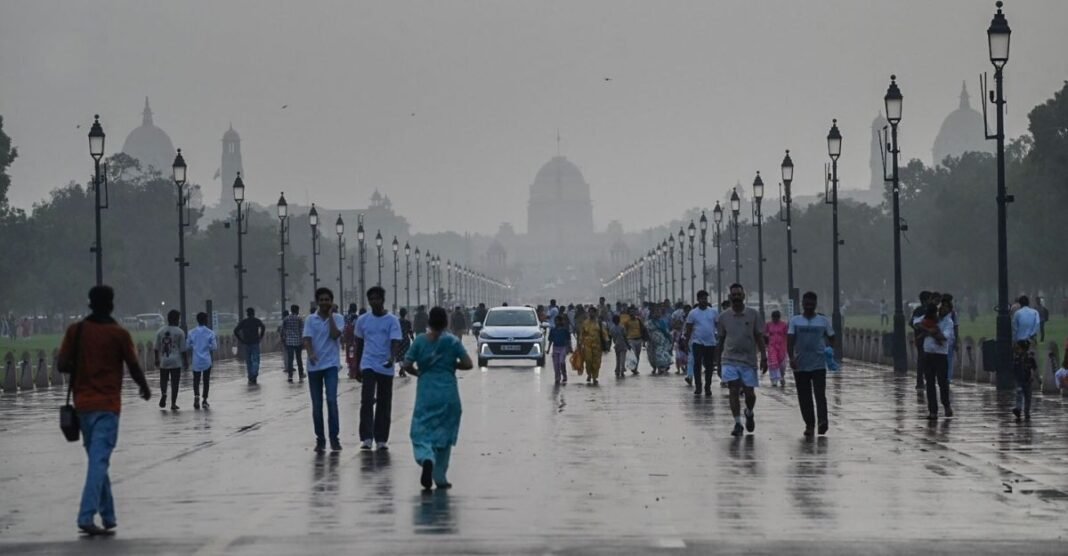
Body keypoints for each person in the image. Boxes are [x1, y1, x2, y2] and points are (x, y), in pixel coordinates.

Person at [57, 285, 152, 536]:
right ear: (111, 304)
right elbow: (132, 365)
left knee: (97, 460)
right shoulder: (118, 334)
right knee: (99, 461)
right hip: (108, 406)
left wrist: (83, 365)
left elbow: (62, 364)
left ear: (90, 303)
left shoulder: (75, 331)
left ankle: (108, 516)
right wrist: (144, 388)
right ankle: (86, 516)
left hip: (83, 406)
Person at [402, 306, 473, 490]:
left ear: (428, 322)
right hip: (449, 392)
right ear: (446, 322)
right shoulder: (452, 342)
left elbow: (407, 364)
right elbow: (468, 363)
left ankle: (426, 457)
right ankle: (440, 476)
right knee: (445, 433)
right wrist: (450, 365)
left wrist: (419, 372)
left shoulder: (419, 341)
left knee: (421, 429)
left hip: (426, 391)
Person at [354, 286, 403, 451]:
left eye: (377, 298)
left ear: (382, 300)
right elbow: (359, 343)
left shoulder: (392, 320)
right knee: (367, 400)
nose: (374, 302)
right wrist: (356, 366)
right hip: (368, 363)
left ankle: (381, 438)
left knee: (384, 401)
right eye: (371, 299)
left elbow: (395, 341)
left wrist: (392, 357)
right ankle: (367, 437)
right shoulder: (362, 320)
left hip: (385, 364)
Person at [716, 283, 767, 437]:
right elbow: (720, 339)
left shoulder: (753, 315)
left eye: (739, 295)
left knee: (749, 394)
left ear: (744, 296)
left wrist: (764, 356)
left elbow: (759, 336)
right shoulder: (723, 317)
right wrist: (717, 362)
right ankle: (738, 423)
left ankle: (749, 412)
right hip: (729, 359)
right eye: (734, 295)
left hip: (748, 360)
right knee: (733, 389)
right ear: (730, 297)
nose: (736, 298)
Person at [303, 287, 346, 452]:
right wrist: (311, 353)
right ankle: (320, 438)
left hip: (331, 365)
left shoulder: (338, 318)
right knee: (317, 404)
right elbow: (306, 339)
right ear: (317, 301)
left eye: (327, 300)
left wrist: (330, 317)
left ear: (332, 301)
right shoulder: (310, 320)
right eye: (321, 300)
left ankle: (334, 438)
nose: (324, 302)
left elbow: (335, 335)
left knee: (331, 400)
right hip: (314, 367)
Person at [787, 293, 835, 436]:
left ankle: (822, 422)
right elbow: (790, 341)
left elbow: (832, 337)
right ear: (802, 303)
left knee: (820, 394)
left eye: (811, 304)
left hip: (819, 364)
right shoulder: (795, 321)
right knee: (804, 396)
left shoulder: (823, 321)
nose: (809, 306)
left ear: (815, 304)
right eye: (806, 304)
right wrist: (791, 358)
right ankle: (809, 424)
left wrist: (829, 351)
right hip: (800, 364)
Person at [919, 302, 954, 420]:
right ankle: (932, 411)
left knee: (942, 382)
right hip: (928, 353)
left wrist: (928, 332)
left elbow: (944, 337)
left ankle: (946, 405)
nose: (941, 310)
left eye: (944, 308)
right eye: (940, 308)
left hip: (940, 355)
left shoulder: (948, 322)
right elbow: (916, 323)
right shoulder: (929, 319)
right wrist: (930, 330)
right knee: (929, 383)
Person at [683, 290, 719, 396]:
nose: (704, 300)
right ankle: (698, 386)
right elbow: (688, 329)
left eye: (705, 298)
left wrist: (719, 340)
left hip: (711, 343)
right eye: (702, 298)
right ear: (698, 299)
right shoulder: (693, 313)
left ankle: (708, 386)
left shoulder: (713, 312)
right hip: (697, 342)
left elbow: (718, 327)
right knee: (697, 364)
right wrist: (686, 343)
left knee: (709, 366)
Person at [153, 310, 188, 410]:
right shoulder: (180, 332)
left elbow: (156, 347)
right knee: (175, 382)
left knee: (163, 380)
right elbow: (183, 349)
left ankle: (164, 393)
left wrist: (156, 359)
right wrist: (185, 361)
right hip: (176, 361)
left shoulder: (160, 331)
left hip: (164, 360)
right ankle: (173, 403)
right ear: (177, 319)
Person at [186, 312, 217, 409]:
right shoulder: (210, 332)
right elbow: (214, 347)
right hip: (207, 360)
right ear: (205, 320)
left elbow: (187, 346)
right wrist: (207, 346)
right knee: (206, 380)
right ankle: (204, 400)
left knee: (196, 380)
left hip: (196, 360)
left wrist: (194, 346)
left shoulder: (191, 332)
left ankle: (196, 396)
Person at [578, 307, 610, 385]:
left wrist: (607, 342)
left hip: (597, 346)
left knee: (596, 362)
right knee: (588, 360)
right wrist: (580, 343)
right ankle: (589, 374)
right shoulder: (585, 322)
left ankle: (595, 377)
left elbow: (604, 333)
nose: (591, 314)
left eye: (593, 312)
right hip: (587, 345)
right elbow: (581, 334)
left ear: (595, 313)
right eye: (590, 312)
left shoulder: (599, 323)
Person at [233, 308, 265, 384]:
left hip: (246, 343)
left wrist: (241, 340)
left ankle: (250, 376)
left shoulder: (244, 322)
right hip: (255, 343)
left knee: (248, 361)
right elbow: (263, 327)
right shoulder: (257, 321)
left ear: (247, 314)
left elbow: (235, 331)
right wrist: (260, 336)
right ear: (253, 313)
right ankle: (254, 374)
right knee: (256, 360)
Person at [1011, 340, 1037, 422]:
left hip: (1027, 380)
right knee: (1020, 395)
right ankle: (1019, 410)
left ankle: (1026, 412)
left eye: (1019, 348)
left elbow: (1033, 368)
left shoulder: (1029, 358)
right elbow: (1014, 369)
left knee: (1027, 397)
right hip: (1020, 381)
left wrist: (1033, 376)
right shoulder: (1017, 357)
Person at [911, 291, 931, 390]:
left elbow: (911, 323)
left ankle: (920, 382)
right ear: (926, 300)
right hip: (925, 339)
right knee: (926, 361)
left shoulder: (917, 310)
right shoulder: (923, 311)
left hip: (920, 338)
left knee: (922, 360)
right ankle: (924, 381)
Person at [646, 305, 674, 375]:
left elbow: (666, 332)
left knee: (660, 354)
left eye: (659, 312)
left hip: (662, 342)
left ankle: (661, 367)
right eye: (656, 312)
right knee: (652, 355)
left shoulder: (662, 322)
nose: (657, 313)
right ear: (652, 313)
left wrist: (670, 339)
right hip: (652, 342)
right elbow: (646, 331)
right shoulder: (649, 323)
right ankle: (655, 367)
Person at [282, 304, 305, 383]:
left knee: (290, 359)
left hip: (289, 341)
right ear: (297, 310)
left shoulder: (286, 319)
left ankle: (290, 376)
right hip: (298, 341)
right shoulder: (299, 318)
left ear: (291, 310)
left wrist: (285, 337)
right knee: (299, 359)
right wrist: (303, 340)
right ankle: (301, 375)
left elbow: (283, 330)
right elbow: (302, 330)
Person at [765, 310, 788, 388]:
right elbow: (764, 334)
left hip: (782, 347)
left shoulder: (784, 325)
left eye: (777, 317)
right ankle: (774, 380)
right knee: (773, 363)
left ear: (779, 317)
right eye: (774, 317)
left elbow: (787, 335)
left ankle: (781, 376)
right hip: (772, 347)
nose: (775, 319)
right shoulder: (768, 324)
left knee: (782, 364)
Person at [549, 314, 573, 384]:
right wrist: (548, 349)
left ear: (560, 321)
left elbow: (568, 340)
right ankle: (557, 378)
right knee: (556, 364)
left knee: (561, 362)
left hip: (563, 348)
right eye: (555, 321)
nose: (556, 322)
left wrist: (569, 348)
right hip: (555, 347)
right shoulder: (553, 330)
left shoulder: (565, 330)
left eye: (557, 321)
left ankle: (564, 375)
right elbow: (550, 340)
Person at [620, 306, 644, 375]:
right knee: (633, 354)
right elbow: (623, 330)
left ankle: (635, 368)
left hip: (639, 339)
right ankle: (632, 367)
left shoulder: (638, 320)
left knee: (638, 355)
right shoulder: (626, 321)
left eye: (633, 311)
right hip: (630, 340)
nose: (632, 313)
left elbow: (642, 328)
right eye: (631, 312)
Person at [609, 314, 629, 379]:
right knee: (622, 359)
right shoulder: (622, 327)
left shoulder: (611, 328)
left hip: (616, 345)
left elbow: (611, 338)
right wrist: (628, 345)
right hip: (623, 344)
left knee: (618, 359)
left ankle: (617, 370)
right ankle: (622, 370)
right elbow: (625, 336)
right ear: (619, 320)